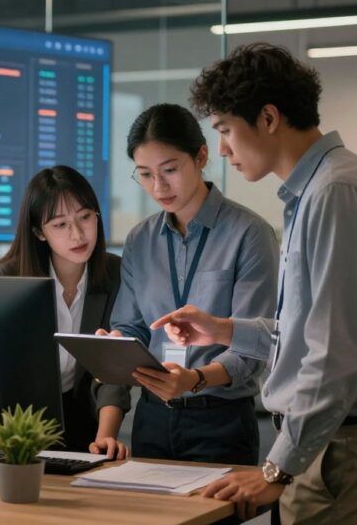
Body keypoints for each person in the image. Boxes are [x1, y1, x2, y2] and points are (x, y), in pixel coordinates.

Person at [154, 43, 357, 522]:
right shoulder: (317, 190)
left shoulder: (335, 193)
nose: (222, 150)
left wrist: (277, 469)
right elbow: (309, 331)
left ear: (270, 118)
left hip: (347, 448)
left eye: (225, 130)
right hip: (332, 441)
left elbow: (336, 352)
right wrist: (224, 330)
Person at [92, 103, 278, 467]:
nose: (158, 187)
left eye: (170, 170)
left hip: (221, 419)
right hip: (151, 417)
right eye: (145, 174)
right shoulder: (139, 240)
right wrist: (116, 346)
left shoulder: (249, 234)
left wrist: (194, 379)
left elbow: (254, 346)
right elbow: (131, 325)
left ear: (201, 156)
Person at [0, 165, 130, 459]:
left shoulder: (115, 273)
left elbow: (112, 367)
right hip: (20, 426)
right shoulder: (9, 277)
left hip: (86, 425)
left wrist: (105, 437)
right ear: (39, 232)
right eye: (60, 225)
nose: (78, 234)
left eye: (85, 217)